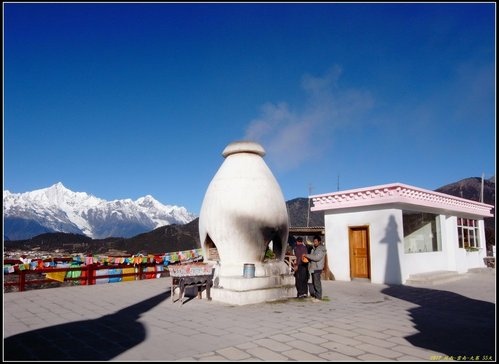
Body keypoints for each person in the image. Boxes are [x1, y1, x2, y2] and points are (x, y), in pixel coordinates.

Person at [304, 235, 326, 301]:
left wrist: (307, 255)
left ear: (319, 242)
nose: (315, 242)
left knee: (317, 283)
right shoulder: (314, 249)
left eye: (316, 241)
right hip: (313, 268)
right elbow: (312, 257)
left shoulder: (321, 249)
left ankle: (318, 297)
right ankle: (316, 295)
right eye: (314, 241)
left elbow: (316, 258)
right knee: (314, 282)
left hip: (318, 268)